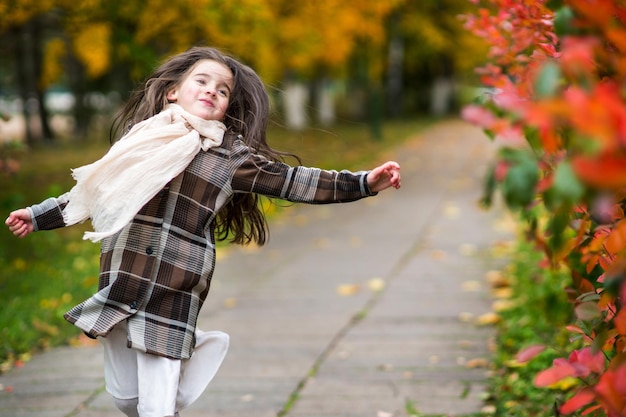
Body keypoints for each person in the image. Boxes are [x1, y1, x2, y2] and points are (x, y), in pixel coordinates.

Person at [5, 46, 401, 417]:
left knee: (155, 408)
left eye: (223, 90)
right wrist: (37, 216)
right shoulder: (138, 143)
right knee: (126, 397)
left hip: (176, 282)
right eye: (202, 81)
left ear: (227, 107)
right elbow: (89, 193)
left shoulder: (230, 158)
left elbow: (294, 180)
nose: (212, 91)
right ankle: (198, 350)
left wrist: (364, 181)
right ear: (173, 91)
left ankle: (173, 372)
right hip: (124, 277)